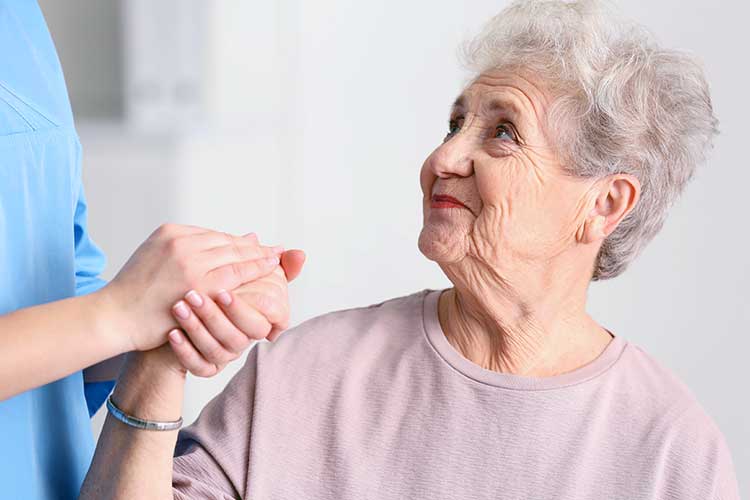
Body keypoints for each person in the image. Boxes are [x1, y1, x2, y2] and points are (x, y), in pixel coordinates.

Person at [80, 1, 740, 498]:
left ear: (603, 205)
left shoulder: (669, 449)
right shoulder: (306, 372)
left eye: (502, 132)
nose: (443, 157)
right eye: (456, 123)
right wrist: (160, 361)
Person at [0, 1, 304, 498]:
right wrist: (117, 314)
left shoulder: (18, 19)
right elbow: (101, 315)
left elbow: (63, 300)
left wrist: (187, 311)